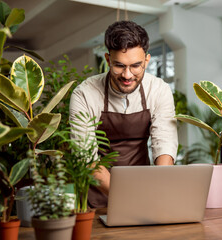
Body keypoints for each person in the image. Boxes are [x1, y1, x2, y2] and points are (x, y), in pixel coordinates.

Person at [69, 20, 178, 208]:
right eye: (119, 65)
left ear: (147, 60)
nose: (127, 75)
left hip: (144, 191)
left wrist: (159, 189)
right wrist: (127, 199)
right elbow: (85, 157)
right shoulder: (84, 94)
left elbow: (164, 143)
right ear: (108, 60)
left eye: (136, 66)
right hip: (96, 198)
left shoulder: (159, 90)